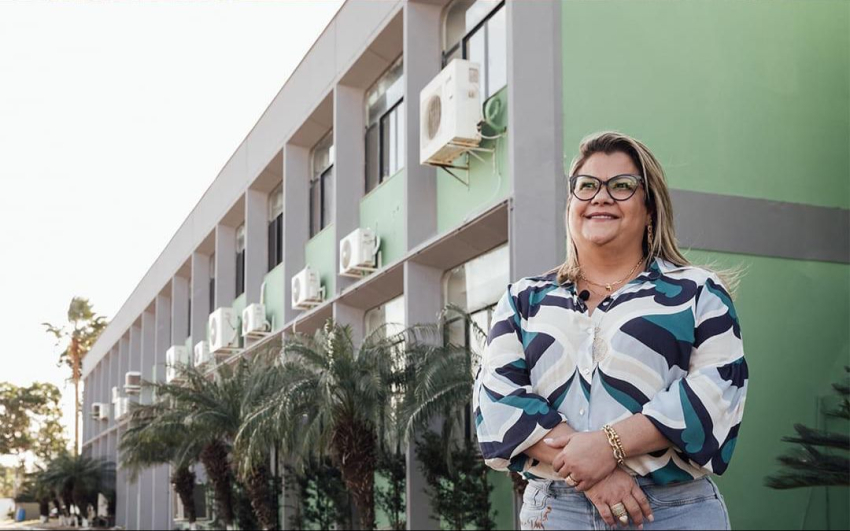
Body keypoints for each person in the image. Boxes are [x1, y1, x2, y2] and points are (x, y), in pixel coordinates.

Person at [473, 131, 747, 530]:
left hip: (671, 512)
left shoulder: (697, 292)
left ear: (650, 209)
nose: (600, 197)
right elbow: (495, 400)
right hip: (557, 512)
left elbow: (717, 392)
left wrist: (607, 446)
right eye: (587, 186)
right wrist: (594, 474)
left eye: (621, 186)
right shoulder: (523, 300)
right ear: (571, 205)